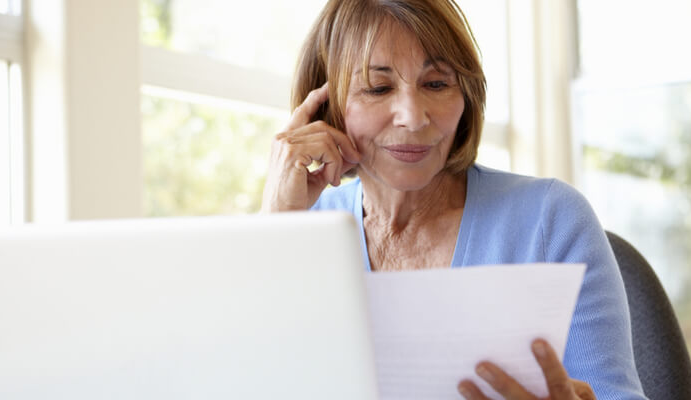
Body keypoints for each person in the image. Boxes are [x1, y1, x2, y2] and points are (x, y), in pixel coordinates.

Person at [261, 0, 647, 398]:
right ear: (326, 108)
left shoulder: (550, 221)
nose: (413, 116)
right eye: (378, 88)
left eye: (436, 84)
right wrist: (277, 232)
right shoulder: (301, 232)